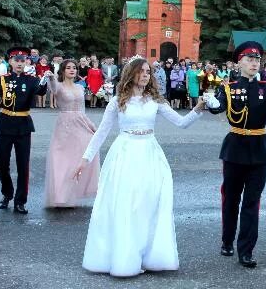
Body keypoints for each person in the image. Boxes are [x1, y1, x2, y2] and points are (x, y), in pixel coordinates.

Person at [73, 57, 205, 277]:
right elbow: (102, 131)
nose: (146, 75)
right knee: (126, 206)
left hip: (150, 155)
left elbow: (181, 123)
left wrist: (199, 109)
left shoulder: (155, 100)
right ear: (131, 74)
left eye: (148, 72)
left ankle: (147, 255)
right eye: (142, 71)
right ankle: (125, 257)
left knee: (148, 205)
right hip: (124, 153)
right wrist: (85, 159)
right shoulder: (118, 101)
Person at [205, 41, 266, 268]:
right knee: (230, 199)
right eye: (249, 59)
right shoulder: (228, 86)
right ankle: (227, 240)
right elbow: (218, 106)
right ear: (239, 62)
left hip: (259, 149)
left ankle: (246, 250)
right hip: (235, 148)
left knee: (252, 202)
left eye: (257, 60)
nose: (254, 63)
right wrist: (211, 102)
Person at [0, 47, 48, 214]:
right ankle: (7, 193)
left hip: (23, 124)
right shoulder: (2, 79)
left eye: (22, 60)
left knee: (23, 164)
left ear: (27, 62)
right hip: (5, 122)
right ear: (10, 62)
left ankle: (20, 201)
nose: (19, 63)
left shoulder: (31, 80)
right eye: (16, 60)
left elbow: (41, 90)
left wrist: (45, 79)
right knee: (2, 164)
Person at [44, 60, 100, 208]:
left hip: (80, 123)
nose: (72, 70)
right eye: (68, 68)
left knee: (85, 154)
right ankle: (60, 196)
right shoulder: (59, 86)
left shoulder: (80, 88)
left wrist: (91, 125)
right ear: (62, 71)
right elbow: (54, 89)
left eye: (74, 68)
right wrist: (51, 77)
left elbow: (82, 110)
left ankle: (79, 190)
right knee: (62, 160)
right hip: (65, 125)